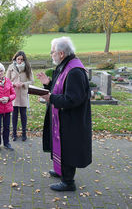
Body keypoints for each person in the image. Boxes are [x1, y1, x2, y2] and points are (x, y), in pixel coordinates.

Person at [37, 37, 92, 191]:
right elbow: (60, 86)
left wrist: (51, 98)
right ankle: (61, 171)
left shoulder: (74, 71)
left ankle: (68, 182)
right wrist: (48, 83)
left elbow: (73, 99)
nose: (51, 55)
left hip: (71, 120)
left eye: (52, 52)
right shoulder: (66, 65)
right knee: (61, 145)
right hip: (63, 118)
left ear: (61, 53)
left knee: (68, 148)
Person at [6, 51, 34, 141]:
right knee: (14, 115)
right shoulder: (10, 67)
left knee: (23, 115)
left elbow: (32, 81)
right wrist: (14, 84)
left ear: (24, 59)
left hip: (23, 94)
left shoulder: (28, 68)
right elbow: (7, 80)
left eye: (22, 59)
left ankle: (24, 133)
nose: (20, 61)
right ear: (15, 59)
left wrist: (23, 84)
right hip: (13, 94)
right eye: (18, 59)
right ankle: (14, 133)